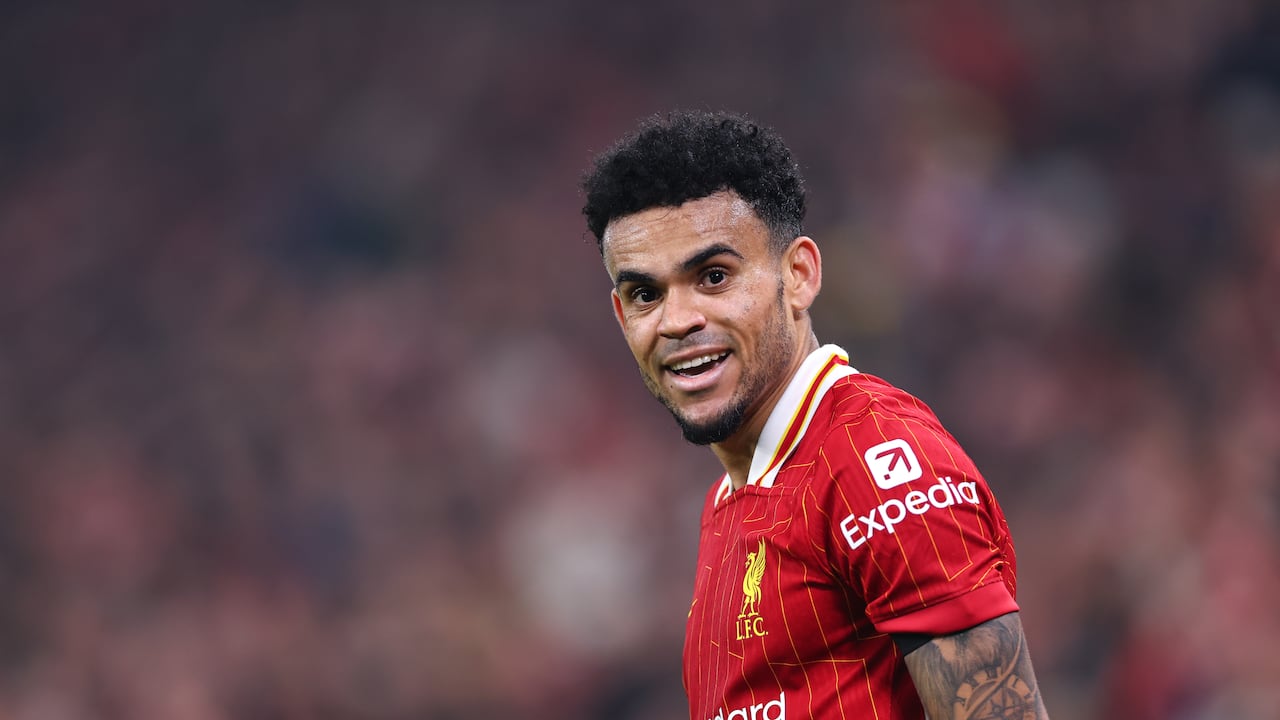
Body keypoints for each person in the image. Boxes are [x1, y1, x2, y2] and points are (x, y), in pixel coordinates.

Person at [580, 110, 1051, 720]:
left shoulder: (876, 461)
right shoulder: (734, 499)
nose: (677, 320)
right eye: (647, 294)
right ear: (622, 316)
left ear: (798, 276)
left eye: (714, 277)